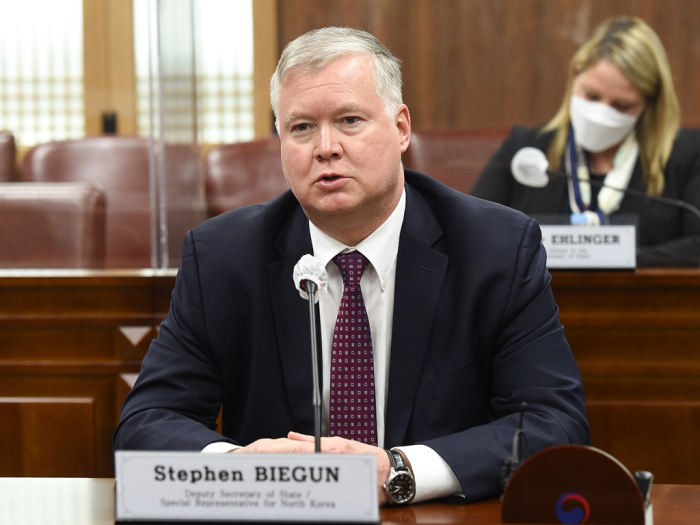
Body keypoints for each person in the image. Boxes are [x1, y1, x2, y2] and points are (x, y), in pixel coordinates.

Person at [114, 27, 589, 505]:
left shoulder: (495, 248)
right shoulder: (222, 257)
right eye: (301, 128)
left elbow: (555, 423)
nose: (325, 148)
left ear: (401, 128)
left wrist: (397, 471)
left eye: (349, 120)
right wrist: (242, 470)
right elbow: (144, 425)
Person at [472, 16, 700, 268]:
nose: (601, 113)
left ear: (649, 101)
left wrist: (611, 259)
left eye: (621, 106)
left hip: (644, 304)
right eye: (592, 96)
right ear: (576, 73)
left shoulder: (687, 156)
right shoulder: (526, 150)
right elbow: (472, 235)